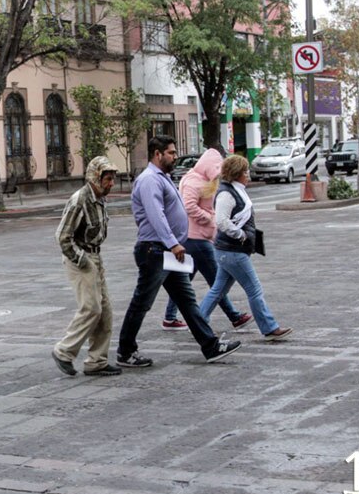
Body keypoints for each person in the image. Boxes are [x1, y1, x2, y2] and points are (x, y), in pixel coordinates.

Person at [116, 136, 242, 366]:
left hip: (168, 251)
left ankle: (211, 346)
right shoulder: (149, 180)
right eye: (171, 153)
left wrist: (173, 245)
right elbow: (156, 215)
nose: (175, 157)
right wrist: (173, 242)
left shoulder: (162, 178)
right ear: (157, 154)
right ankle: (125, 351)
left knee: (186, 300)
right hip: (155, 250)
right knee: (142, 302)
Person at [200, 155, 292, 342]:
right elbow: (222, 221)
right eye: (245, 171)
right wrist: (240, 235)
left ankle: (198, 322)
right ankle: (269, 327)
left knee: (218, 290)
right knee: (254, 289)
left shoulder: (233, 190)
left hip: (228, 251)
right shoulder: (227, 193)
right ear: (237, 174)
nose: (248, 175)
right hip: (233, 251)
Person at [161, 149, 252, 332]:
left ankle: (170, 317)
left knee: (183, 280)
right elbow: (188, 206)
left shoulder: (202, 180)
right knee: (217, 279)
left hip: (197, 237)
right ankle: (233, 316)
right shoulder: (194, 181)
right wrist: (210, 218)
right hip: (196, 238)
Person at [51, 156, 123, 377]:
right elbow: (62, 236)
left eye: (112, 179)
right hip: (81, 258)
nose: (111, 183)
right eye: (108, 179)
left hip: (95, 256)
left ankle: (97, 361)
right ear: (95, 177)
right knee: (91, 308)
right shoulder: (79, 199)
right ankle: (64, 351)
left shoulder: (99, 198)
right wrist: (82, 261)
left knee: (105, 312)